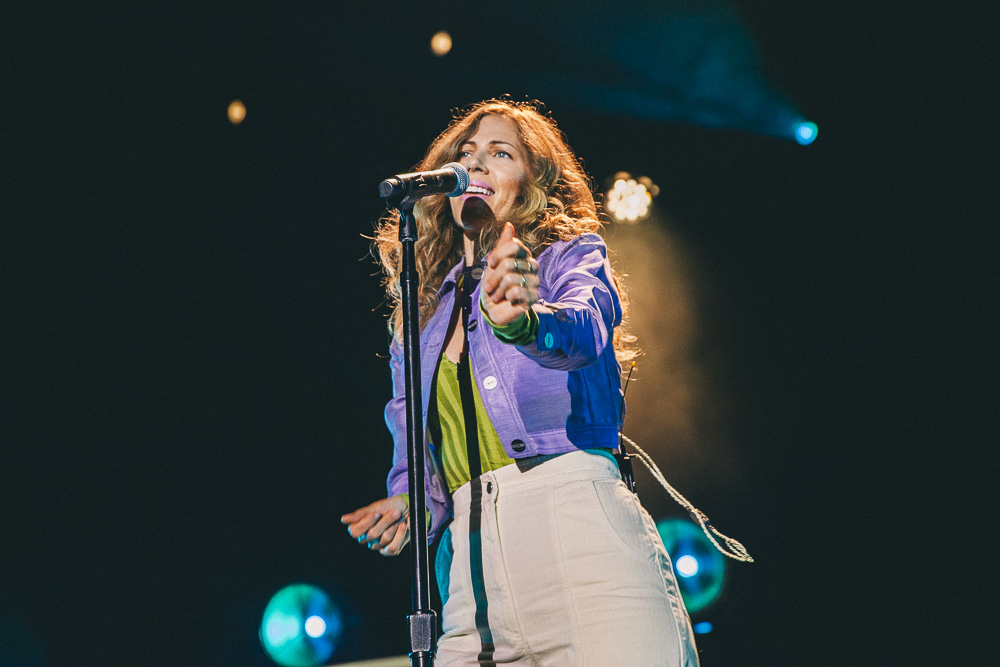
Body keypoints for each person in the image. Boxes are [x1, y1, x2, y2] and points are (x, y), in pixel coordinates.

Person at [341, 100, 699, 666]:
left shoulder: (566, 260)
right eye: (465, 154)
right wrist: (411, 498)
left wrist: (528, 322)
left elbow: (584, 328)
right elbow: (410, 431)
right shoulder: (422, 321)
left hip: (583, 550)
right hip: (468, 579)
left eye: (499, 153)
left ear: (532, 183)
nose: (475, 164)